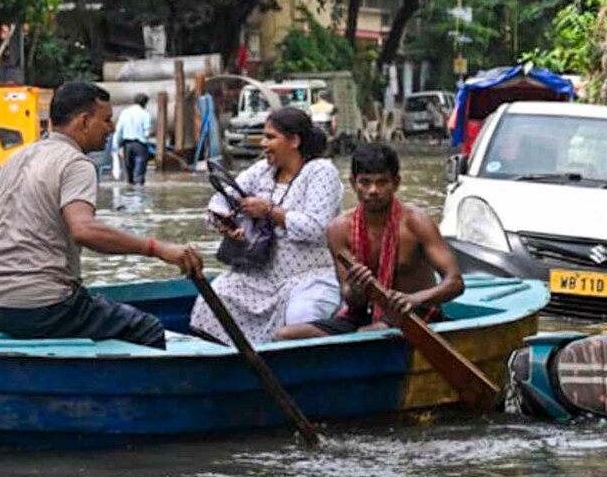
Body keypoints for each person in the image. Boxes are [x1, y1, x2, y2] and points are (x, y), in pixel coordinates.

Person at [0, 82, 202, 348]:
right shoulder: (76, 163)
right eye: (106, 120)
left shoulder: (15, 159)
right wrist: (158, 248)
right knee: (148, 328)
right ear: (83, 122)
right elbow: (83, 230)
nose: (112, 128)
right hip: (44, 308)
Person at [276, 143, 464, 339]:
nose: (373, 190)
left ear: (396, 183)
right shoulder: (339, 229)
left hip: (416, 314)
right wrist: (356, 290)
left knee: (371, 333)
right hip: (363, 316)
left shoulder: (416, 222)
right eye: (365, 182)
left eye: (382, 182)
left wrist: (414, 299)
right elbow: (350, 299)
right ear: (353, 183)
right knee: (285, 336)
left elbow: (455, 283)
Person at [189, 107, 343, 344]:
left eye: (270, 137)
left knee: (300, 319)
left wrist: (269, 211)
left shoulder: (321, 171)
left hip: (309, 278)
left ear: (294, 141)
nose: (263, 143)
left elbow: (317, 228)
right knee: (214, 298)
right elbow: (219, 200)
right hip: (258, 275)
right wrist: (225, 220)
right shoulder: (262, 170)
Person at [111, 93, 154, 185]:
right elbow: (147, 133)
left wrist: (116, 145)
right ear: (145, 103)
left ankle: (129, 194)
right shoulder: (145, 114)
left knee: (129, 172)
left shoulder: (125, 113)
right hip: (140, 145)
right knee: (139, 174)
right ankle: (138, 195)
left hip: (127, 145)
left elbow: (119, 130)